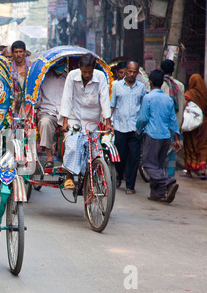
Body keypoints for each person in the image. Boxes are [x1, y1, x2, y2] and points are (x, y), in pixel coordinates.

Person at [59, 53, 113, 189]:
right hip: (74, 118)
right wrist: (65, 122)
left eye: (89, 72)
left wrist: (108, 122)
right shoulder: (72, 76)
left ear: (94, 68)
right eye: (84, 72)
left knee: (94, 151)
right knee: (72, 146)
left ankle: (92, 177)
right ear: (80, 68)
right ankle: (69, 177)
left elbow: (105, 99)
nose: (87, 75)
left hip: (92, 119)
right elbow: (67, 98)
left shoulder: (100, 77)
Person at [136, 69, 181, 203]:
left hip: (153, 135)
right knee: (158, 166)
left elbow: (143, 118)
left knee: (148, 165)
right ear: (162, 83)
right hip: (166, 137)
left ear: (150, 82)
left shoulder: (148, 97)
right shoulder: (168, 99)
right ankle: (158, 193)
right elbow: (173, 120)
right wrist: (177, 138)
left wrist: (138, 129)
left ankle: (169, 182)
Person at [110, 61, 147, 194]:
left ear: (137, 73)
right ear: (125, 71)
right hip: (119, 126)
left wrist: (142, 126)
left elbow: (143, 107)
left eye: (134, 72)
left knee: (134, 157)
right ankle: (119, 175)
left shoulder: (141, 87)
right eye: (129, 71)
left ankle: (130, 186)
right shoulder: (116, 86)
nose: (131, 74)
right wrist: (111, 123)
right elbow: (112, 105)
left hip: (135, 128)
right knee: (119, 155)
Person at [36, 63, 67, 169]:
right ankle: (49, 157)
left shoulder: (68, 78)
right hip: (48, 112)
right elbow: (37, 101)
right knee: (45, 123)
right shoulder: (43, 78)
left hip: (65, 114)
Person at [161, 59, 186, 177]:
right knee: (171, 155)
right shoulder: (179, 86)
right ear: (173, 70)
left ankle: (161, 180)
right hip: (175, 125)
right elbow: (180, 107)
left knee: (160, 154)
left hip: (161, 126)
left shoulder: (159, 84)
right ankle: (169, 180)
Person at [180, 74, 207, 179]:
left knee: (190, 146)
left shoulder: (190, 94)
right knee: (203, 145)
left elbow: (184, 105)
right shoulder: (205, 94)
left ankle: (189, 171)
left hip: (192, 125)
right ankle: (203, 170)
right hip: (204, 124)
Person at [11, 40, 30, 116]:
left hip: (28, 105)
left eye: (21, 52)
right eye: (16, 52)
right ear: (12, 54)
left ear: (25, 52)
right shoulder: (9, 69)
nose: (18, 54)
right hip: (14, 105)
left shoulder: (31, 67)